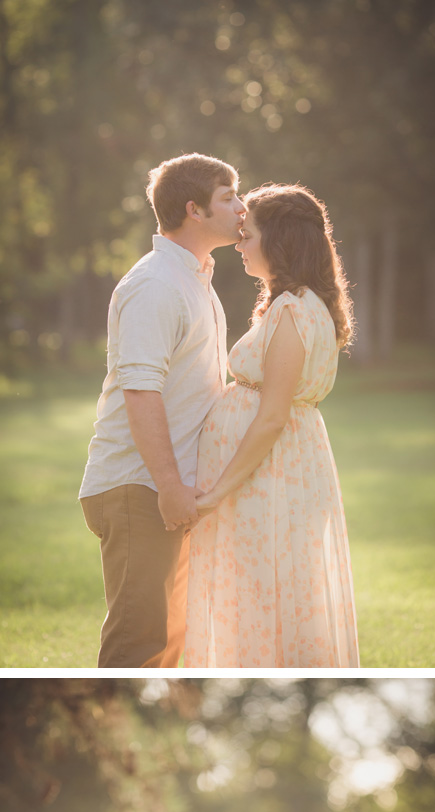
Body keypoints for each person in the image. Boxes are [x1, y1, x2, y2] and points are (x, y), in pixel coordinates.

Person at [183, 183, 359, 668]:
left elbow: (273, 414)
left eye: (248, 235)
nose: (239, 245)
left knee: (262, 592)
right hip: (282, 468)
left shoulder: (292, 309)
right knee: (270, 590)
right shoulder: (303, 304)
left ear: (279, 240)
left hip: (268, 477)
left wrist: (216, 493)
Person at [80, 153, 244, 667]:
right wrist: (170, 485)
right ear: (194, 209)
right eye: (229, 197)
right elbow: (140, 390)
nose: (242, 207)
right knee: (138, 645)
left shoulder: (195, 280)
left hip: (170, 489)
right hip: (141, 487)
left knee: (169, 647)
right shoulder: (155, 284)